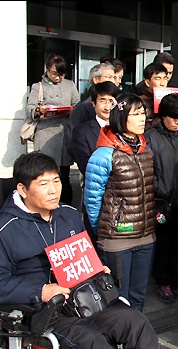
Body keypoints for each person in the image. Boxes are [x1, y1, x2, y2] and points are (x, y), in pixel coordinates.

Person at [0, 151, 169, 349]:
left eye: (56, 181)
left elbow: (85, 253)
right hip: (42, 314)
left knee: (133, 320)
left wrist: (97, 268)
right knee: (89, 339)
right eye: (43, 184)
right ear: (22, 189)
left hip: (83, 301)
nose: (53, 190)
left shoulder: (68, 214)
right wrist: (41, 291)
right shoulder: (3, 229)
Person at [83, 93, 156, 312]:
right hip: (117, 239)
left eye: (143, 113)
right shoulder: (103, 154)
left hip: (145, 235)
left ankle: (136, 342)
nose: (142, 118)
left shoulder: (145, 149)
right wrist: (105, 229)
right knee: (117, 300)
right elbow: (92, 199)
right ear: (121, 117)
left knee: (138, 297)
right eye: (136, 114)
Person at [144, 93, 178, 304]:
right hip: (160, 204)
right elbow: (147, 170)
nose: (177, 122)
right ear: (163, 115)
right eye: (173, 117)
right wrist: (158, 189)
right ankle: (162, 282)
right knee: (162, 243)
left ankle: (175, 282)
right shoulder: (150, 137)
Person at [72, 81, 121, 252]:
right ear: (93, 103)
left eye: (112, 101)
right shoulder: (81, 131)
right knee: (97, 242)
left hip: (123, 198)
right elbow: (85, 165)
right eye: (103, 100)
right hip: (97, 195)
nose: (108, 106)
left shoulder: (125, 130)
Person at [26, 53, 80, 206]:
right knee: (44, 174)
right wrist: (40, 110)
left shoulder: (69, 85)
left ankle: (66, 206)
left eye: (61, 74)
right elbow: (30, 108)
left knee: (64, 176)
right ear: (47, 70)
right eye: (55, 73)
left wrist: (71, 110)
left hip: (63, 134)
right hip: (45, 135)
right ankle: (44, 205)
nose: (58, 77)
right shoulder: (38, 87)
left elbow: (77, 105)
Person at [138, 62, 169, 131]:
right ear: (147, 82)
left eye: (165, 78)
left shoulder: (170, 100)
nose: (162, 83)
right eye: (158, 78)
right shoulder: (141, 102)